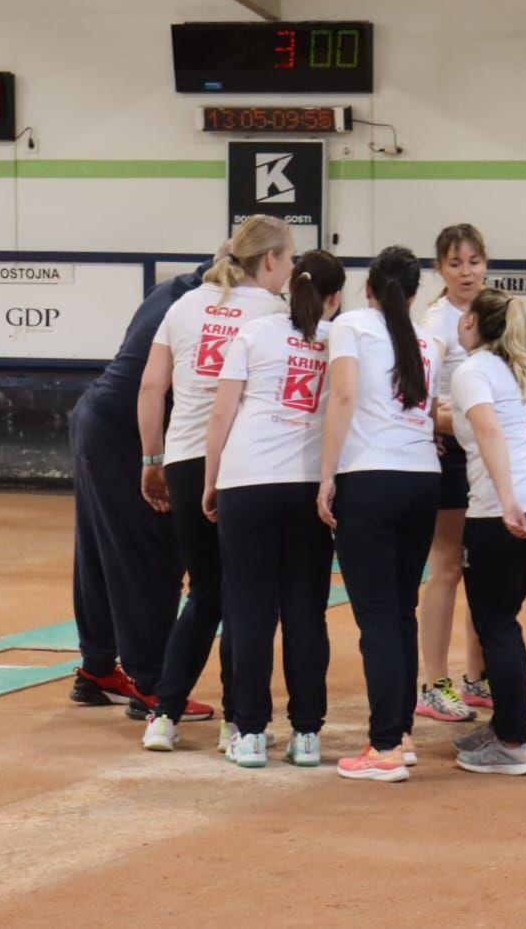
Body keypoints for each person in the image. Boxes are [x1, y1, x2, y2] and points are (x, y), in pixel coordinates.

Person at [138, 216, 294, 753]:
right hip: (243, 466)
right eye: (289, 258)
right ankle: (235, 721)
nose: (290, 269)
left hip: (184, 459)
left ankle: (163, 715)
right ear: (269, 260)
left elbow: (152, 387)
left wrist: (151, 459)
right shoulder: (273, 314)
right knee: (244, 597)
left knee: (204, 594)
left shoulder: (182, 306)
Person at [201, 251, 345, 769]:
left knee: (249, 611)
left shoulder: (254, 333)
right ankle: (307, 734)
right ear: (335, 297)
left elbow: (222, 413)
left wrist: (211, 480)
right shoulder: (340, 342)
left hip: (247, 480)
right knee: (306, 611)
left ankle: (250, 732)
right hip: (309, 487)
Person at [69, 250, 221, 723]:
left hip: (95, 417)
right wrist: (154, 460)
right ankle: (151, 684)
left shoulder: (170, 290)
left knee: (98, 552)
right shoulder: (208, 309)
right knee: (151, 552)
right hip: (129, 432)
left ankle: (98, 668)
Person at [317, 246, 442, 783]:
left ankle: (385, 745)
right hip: (423, 479)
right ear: (414, 294)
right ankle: (401, 733)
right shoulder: (429, 341)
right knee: (401, 610)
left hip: (369, 478)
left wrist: (326, 475)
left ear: (368, 287)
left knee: (378, 618)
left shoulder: (352, 326)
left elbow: (343, 397)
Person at [447, 289, 526, 775]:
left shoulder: (473, 370)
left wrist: (506, 497)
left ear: (472, 321)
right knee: (501, 620)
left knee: (495, 624)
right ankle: (504, 728)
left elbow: (490, 431)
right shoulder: (514, 367)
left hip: (505, 509)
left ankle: (513, 743)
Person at [415, 224, 489, 723]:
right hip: (451, 453)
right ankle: (434, 683)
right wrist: (438, 424)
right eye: (456, 263)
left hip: (489, 452)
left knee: (483, 566)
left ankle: (477, 678)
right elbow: (420, 393)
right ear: (440, 269)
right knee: (446, 567)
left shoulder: (498, 310)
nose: (467, 272)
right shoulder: (436, 322)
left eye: (474, 262)